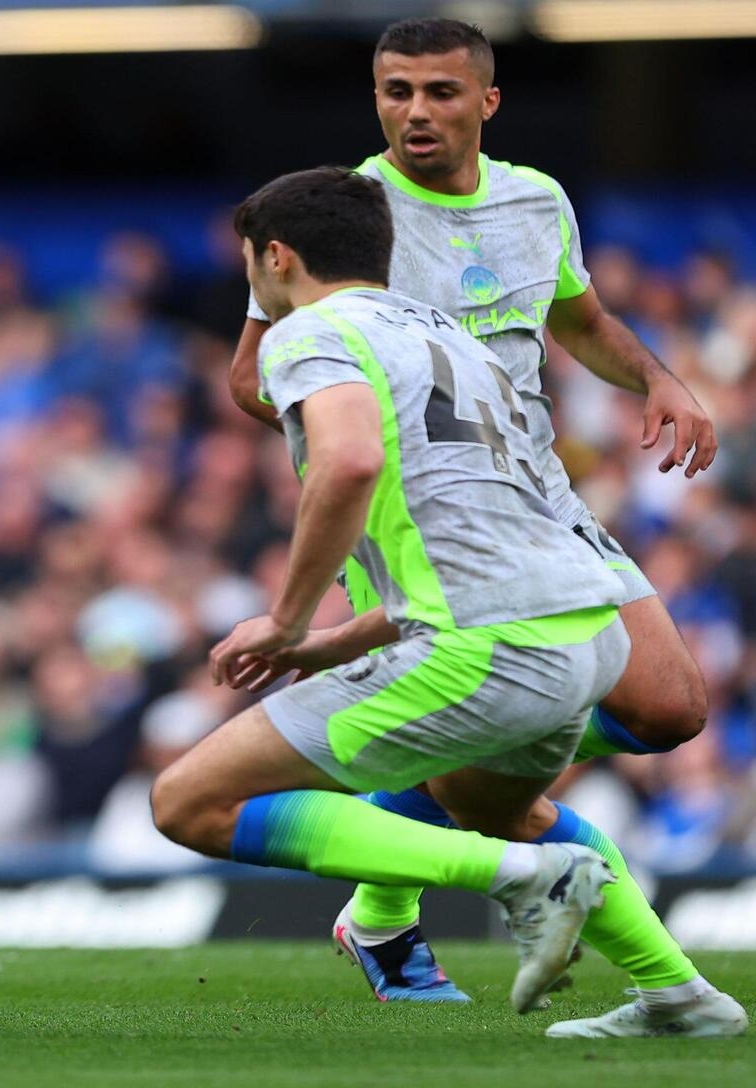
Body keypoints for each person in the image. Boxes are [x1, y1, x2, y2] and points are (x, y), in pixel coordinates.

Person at [222, 18, 734, 1028]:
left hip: (541, 495)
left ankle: (382, 900)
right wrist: (372, 424)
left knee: (669, 708)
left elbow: (577, 321)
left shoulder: (535, 200)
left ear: (486, 102)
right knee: (477, 774)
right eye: (396, 90)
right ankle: (634, 974)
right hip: (419, 524)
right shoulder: (342, 220)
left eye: (441, 93)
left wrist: (662, 379)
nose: (417, 111)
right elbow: (251, 375)